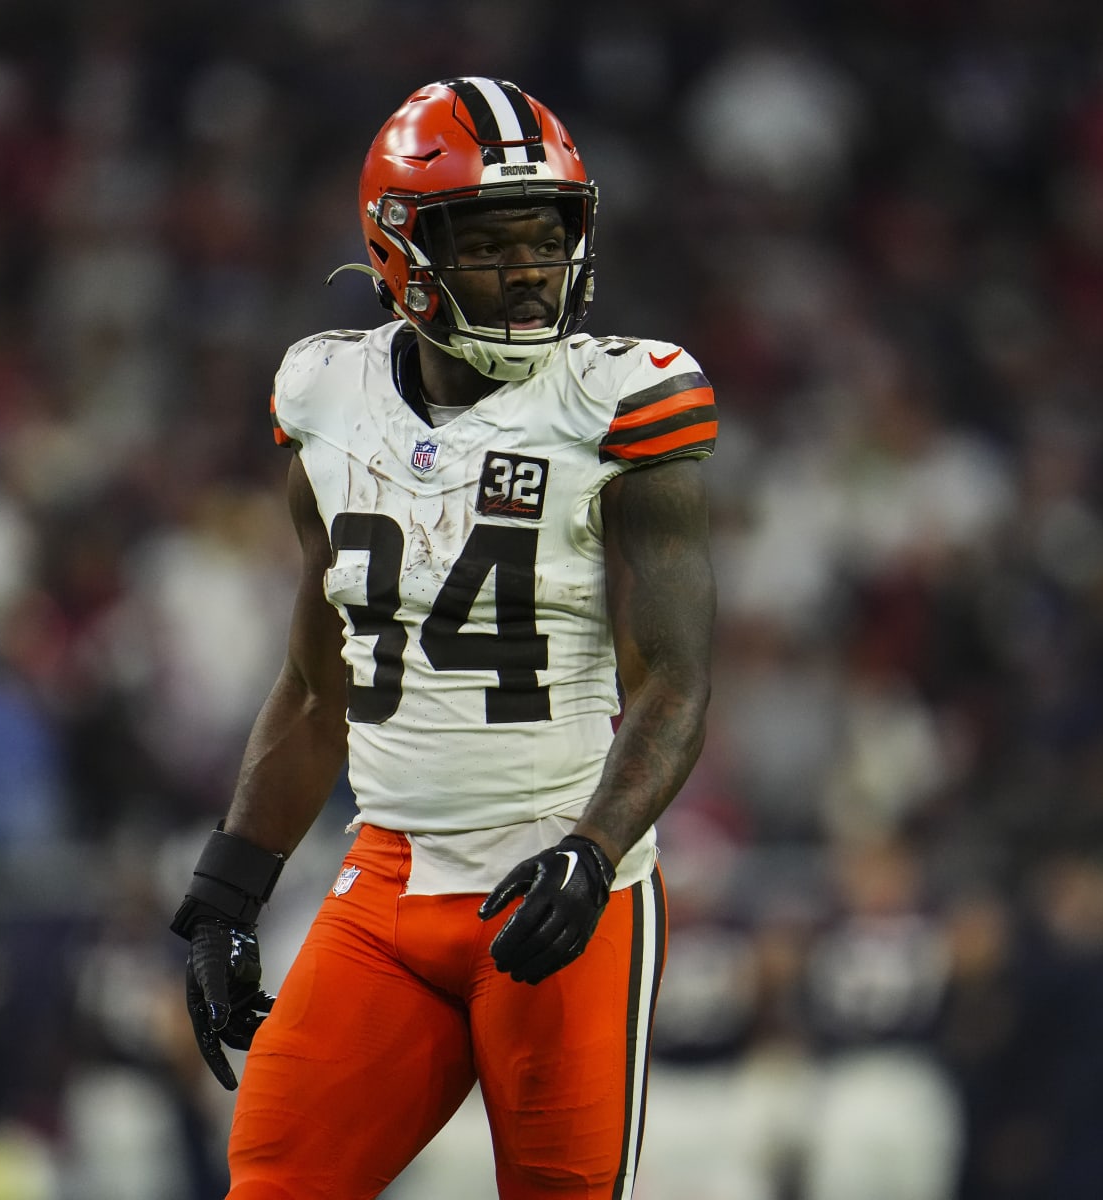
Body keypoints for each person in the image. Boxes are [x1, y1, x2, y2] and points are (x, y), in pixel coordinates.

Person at [168, 76, 716, 1200]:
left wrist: (595, 849)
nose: (528, 271)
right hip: (390, 882)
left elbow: (674, 682)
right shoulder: (327, 394)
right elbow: (318, 690)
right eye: (491, 243)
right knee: (271, 1182)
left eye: (546, 237)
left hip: (562, 882)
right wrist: (229, 891)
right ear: (402, 251)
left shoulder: (619, 398)